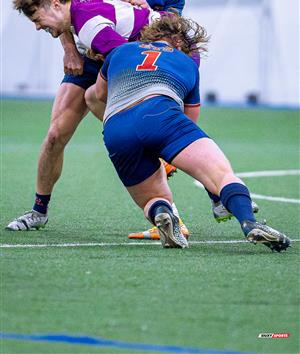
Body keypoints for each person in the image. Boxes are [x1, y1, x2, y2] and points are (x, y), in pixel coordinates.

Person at [6, 0, 192, 235]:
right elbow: (64, 2)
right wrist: (69, 50)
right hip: (91, 59)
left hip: (131, 66)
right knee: (55, 135)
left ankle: (194, 199)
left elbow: (171, 37)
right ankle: (38, 211)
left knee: (140, 135)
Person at [95, 14, 290, 252]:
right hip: (160, 114)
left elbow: (99, 93)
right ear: (179, 43)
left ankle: (163, 213)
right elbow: (190, 119)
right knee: (221, 175)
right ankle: (249, 222)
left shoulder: (119, 52)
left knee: (152, 198)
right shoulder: (186, 63)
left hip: (116, 127)